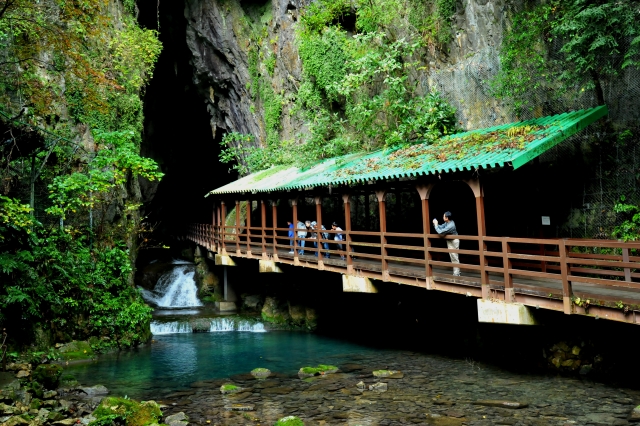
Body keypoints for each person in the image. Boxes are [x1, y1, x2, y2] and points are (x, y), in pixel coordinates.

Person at [433, 211, 460, 276]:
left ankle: (456, 273)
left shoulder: (451, 225)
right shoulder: (447, 222)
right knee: (452, 256)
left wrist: (436, 225)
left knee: (454, 256)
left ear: (447, 218)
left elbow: (441, 232)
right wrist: (435, 224)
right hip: (450, 240)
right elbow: (441, 227)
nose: (443, 217)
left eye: (444, 216)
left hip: (454, 241)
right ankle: (456, 272)